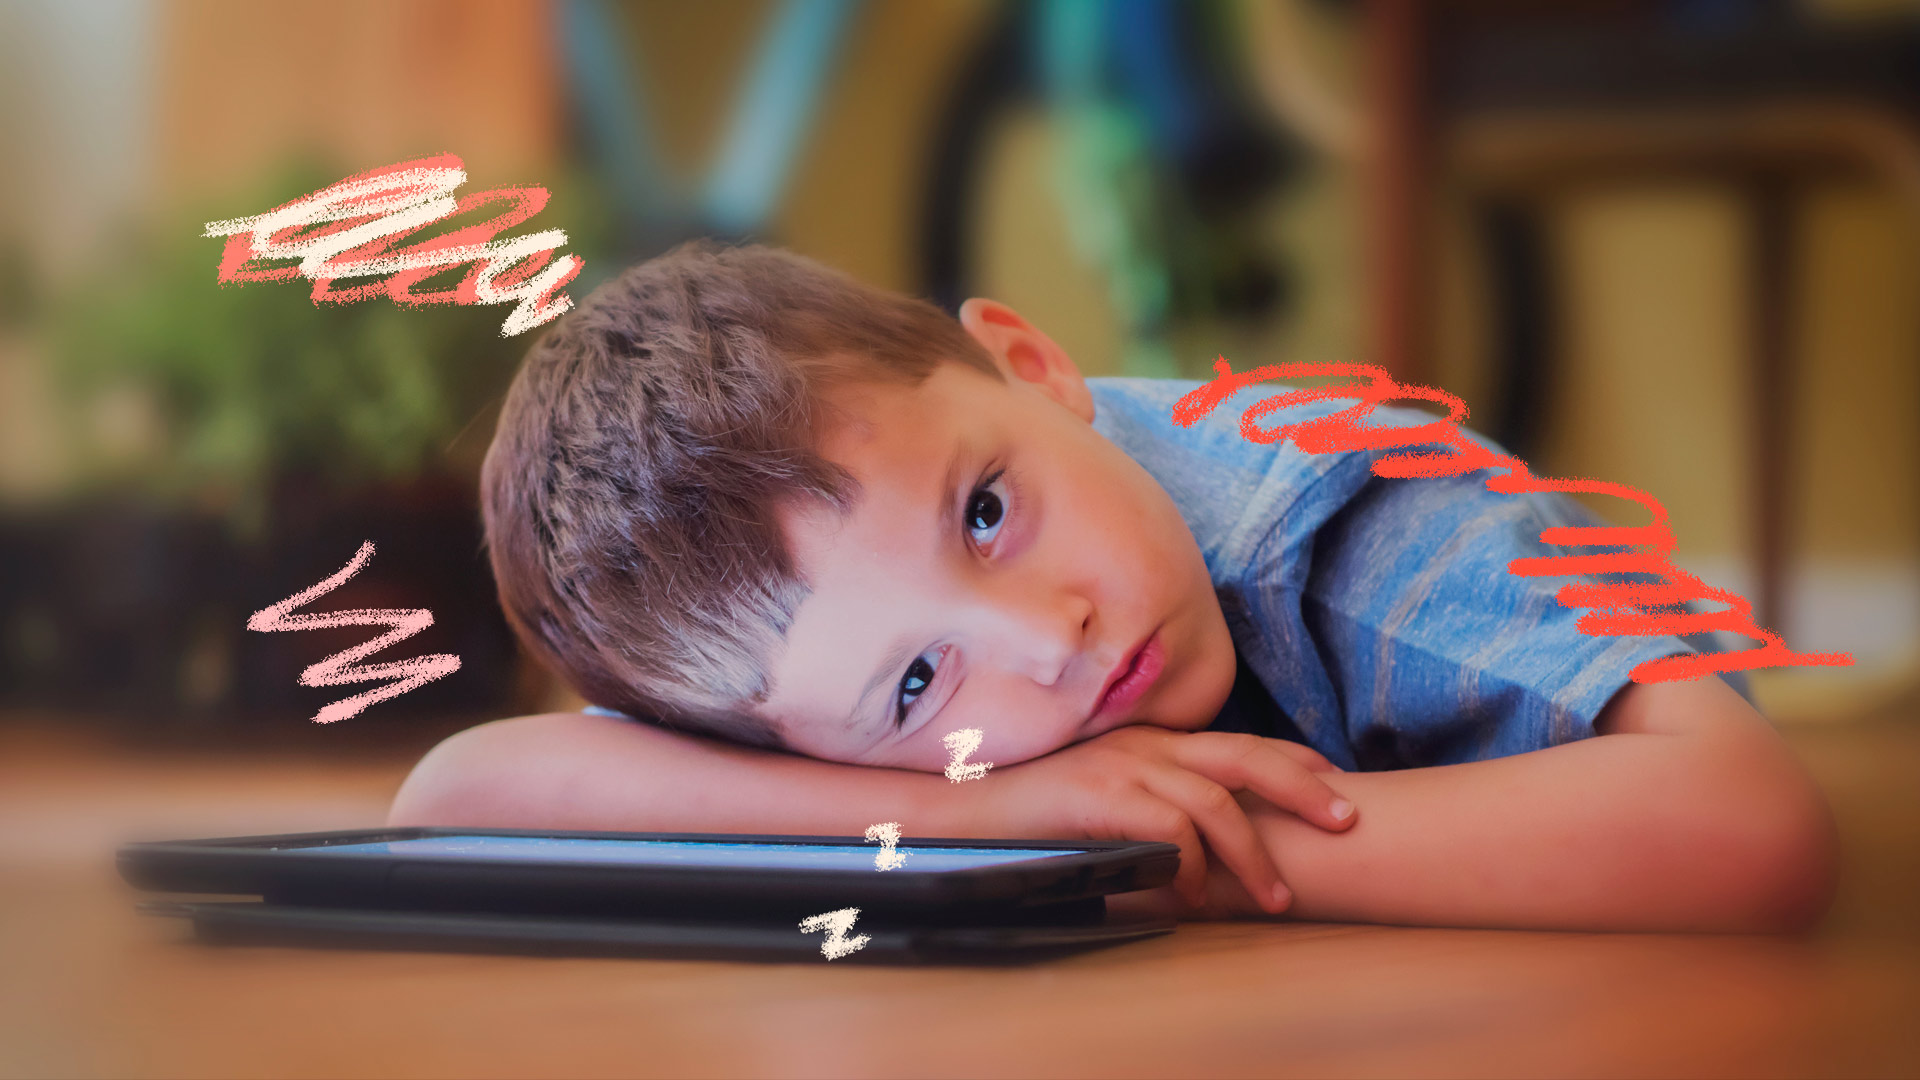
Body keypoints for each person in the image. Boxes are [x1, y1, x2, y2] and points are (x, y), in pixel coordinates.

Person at [389, 242, 1837, 932]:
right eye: (915, 683)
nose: (1046, 643)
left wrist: (1166, 853)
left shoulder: (1352, 534)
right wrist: (990, 809)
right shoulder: (900, 703)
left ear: (1035, 366)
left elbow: (1747, 824)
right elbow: (457, 793)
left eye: (990, 512)